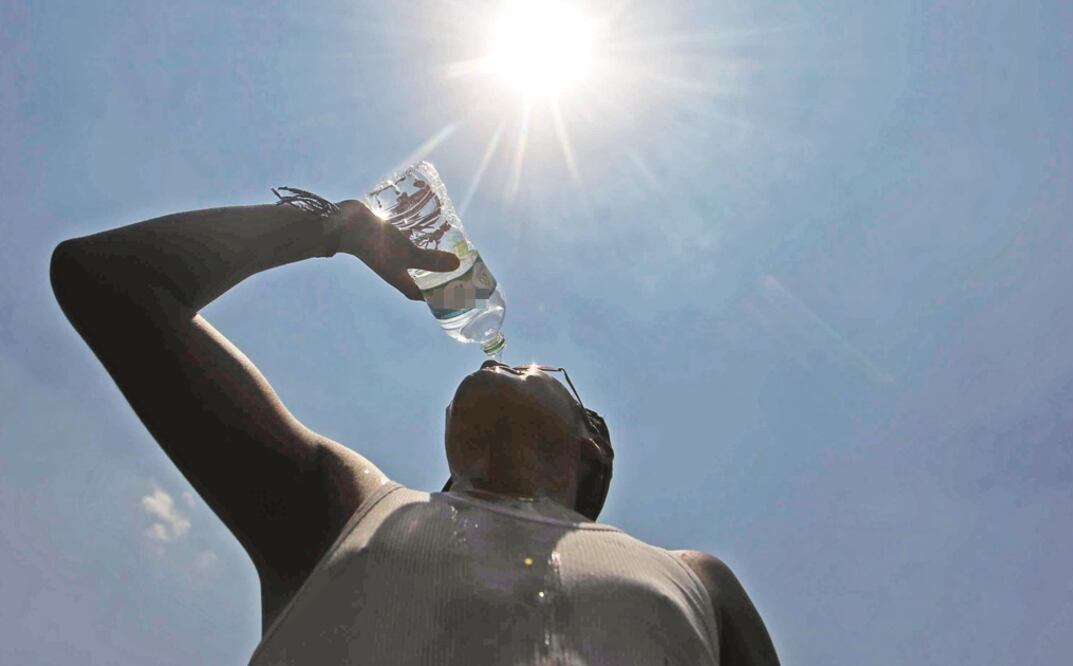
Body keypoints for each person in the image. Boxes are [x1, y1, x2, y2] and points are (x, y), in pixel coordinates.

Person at [50, 193, 780, 665]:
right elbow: (108, 281)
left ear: (593, 441)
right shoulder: (342, 512)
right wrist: (333, 228)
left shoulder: (696, 579)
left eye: (541, 371)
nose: (515, 363)